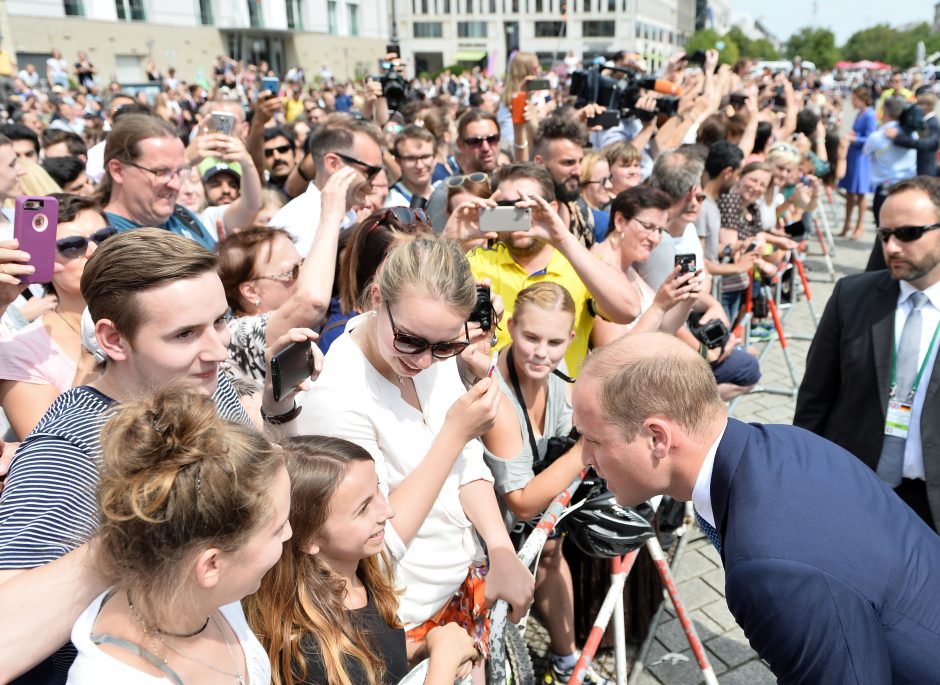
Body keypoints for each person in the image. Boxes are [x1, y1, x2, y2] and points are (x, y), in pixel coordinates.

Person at [0, 229, 306, 682]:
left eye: (219, 321)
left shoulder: (195, 378)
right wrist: (142, 527)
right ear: (113, 339)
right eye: (184, 334)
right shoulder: (69, 450)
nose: (218, 350)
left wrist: (277, 408)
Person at [573, 331, 940, 683]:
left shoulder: (769, 572)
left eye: (593, 440)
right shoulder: (784, 442)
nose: (585, 458)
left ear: (657, 437)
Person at [297, 236, 534, 670]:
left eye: (446, 346)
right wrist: (454, 434)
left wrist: (501, 547)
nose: (426, 361)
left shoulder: (429, 349)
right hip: (404, 620)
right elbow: (374, 546)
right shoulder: (336, 398)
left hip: (459, 587)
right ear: (375, 298)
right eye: (411, 340)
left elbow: (467, 464)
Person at [67, 384, 290, 684]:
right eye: (277, 529)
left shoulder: (213, 594)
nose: (288, 534)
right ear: (211, 564)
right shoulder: (111, 677)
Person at [245, 435, 478, 685]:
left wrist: (423, 652)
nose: (388, 511)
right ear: (309, 538)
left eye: (378, 489)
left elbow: (377, 663)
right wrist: (444, 660)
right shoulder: (306, 650)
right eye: (363, 508)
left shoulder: (360, 580)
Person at [480, 283, 609, 685]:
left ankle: (567, 659)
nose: (541, 352)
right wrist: (586, 446)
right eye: (531, 337)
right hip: (485, 536)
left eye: (555, 342)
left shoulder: (558, 384)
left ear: (571, 340)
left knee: (553, 556)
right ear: (511, 327)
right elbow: (520, 500)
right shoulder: (495, 393)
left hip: (531, 530)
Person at [795, 176, 940, 532]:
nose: (891, 247)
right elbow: (815, 399)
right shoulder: (851, 297)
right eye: (884, 235)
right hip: (857, 491)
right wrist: (804, 480)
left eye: (907, 234)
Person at [463, 162, 641, 375]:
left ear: (552, 208)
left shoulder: (579, 264)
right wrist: (452, 240)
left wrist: (562, 238)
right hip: (494, 398)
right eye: (507, 207)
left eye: (528, 207)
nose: (518, 215)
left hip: (564, 403)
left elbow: (629, 310)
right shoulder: (476, 261)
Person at [0, 195, 109, 439]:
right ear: (42, 257)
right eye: (72, 245)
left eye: (104, 237)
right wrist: (87, 366)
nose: (94, 251)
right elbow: (48, 454)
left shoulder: (151, 313)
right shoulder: (22, 352)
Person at [590, 186, 701, 347]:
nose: (655, 238)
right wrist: (658, 306)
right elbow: (612, 356)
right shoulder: (598, 270)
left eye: (660, 230)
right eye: (648, 227)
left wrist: (687, 299)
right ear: (620, 221)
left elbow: (663, 330)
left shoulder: (628, 269)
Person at [95, 114, 217, 249]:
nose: (176, 185)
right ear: (117, 171)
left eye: (179, 171)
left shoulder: (182, 216)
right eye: (160, 172)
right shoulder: (101, 242)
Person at [270, 115, 384, 255]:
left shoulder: (352, 215)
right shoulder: (294, 225)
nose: (376, 180)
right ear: (333, 164)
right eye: (370, 171)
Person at [838, 86, 876, 239]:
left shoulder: (870, 115)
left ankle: (859, 226)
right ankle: (847, 223)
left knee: (860, 194)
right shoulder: (860, 113)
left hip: (862, 157)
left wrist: (854, 138)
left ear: (861, 99)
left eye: (854, 98)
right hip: (853, 154)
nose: (852, 102)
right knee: (849, 192)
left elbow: (871, 138)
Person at [387, 125, 435, 208]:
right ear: (398, 161)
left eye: (425, 156)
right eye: (411, 158)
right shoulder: (392, 204)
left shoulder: (446, 195)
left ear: (435, 157)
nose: (419, 165)